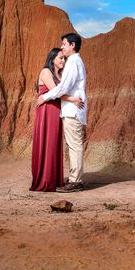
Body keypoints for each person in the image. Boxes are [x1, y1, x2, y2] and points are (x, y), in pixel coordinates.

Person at [35, 33, 87, 193]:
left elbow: (63, 88)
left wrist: (45, 96)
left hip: (73, 110)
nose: (63, 47)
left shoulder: (73, 61)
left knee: (74, 145)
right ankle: (74, 178)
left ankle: (75, 181)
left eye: (64, 44)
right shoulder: (74, 62)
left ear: (72, 45)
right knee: (73, 144)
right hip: (70, 109)